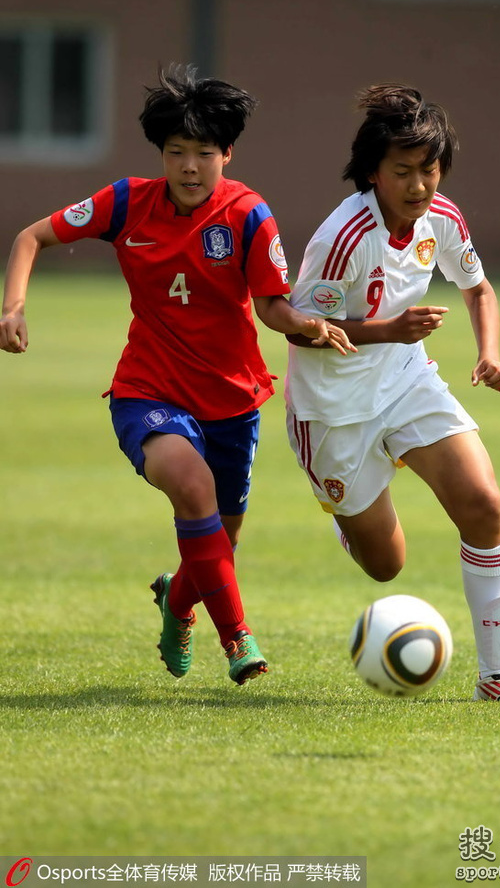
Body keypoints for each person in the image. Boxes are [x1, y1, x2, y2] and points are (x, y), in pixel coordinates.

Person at [0, 63, 352, 686]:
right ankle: (238, 639)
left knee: (218, 545)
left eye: (205, 154)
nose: (190, 167)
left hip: (233, 400)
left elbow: (271, 305)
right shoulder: (126, 202)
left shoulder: (249, 215)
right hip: (148, 391)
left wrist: (304, 324)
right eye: (177, 152)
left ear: (228, 155)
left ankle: (175, 598)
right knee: (193, 491)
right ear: (160, 154)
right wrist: (13, 308)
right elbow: (30, 238)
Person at [285, 84, 500, 703]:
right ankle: (348, 516)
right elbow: (299, 328)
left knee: (483, 503)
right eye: (401, 171)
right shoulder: (341, 238)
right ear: (373, 173)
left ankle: (497, 678)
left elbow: (478, 288)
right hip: (333, 410)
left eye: (428, 169)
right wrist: (385, 330)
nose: (418, 185)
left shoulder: (444, 220)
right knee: (386, 566)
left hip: (406, 379)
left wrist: (488, 354)